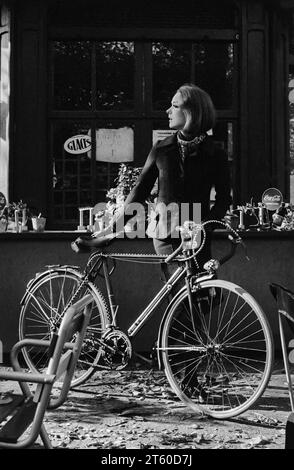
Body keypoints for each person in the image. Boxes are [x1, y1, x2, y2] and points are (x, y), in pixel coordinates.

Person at [74, 83, 231, 270]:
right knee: (182, 292)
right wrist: (112, 230)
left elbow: (223, 200)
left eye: (175, 105)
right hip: (166, 233)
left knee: (206, 294)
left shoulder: (215, 153)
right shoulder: (162, 148)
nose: (167, 111)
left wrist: (206, 226)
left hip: (197, 234)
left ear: (192, 111)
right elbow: (140, 191)